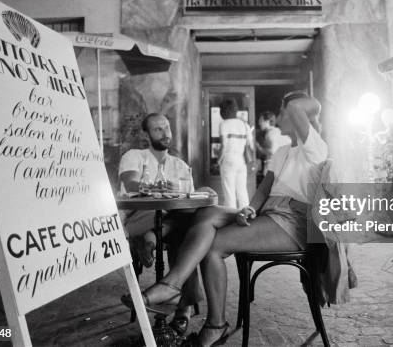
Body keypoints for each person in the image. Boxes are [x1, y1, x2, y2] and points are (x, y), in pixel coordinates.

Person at [125, 91, 329, 346]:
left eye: (283, 112)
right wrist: (250, 209)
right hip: (269, 214)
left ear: (301, 116)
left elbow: (302, 106)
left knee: (213, 245)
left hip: (294, 223)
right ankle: (177, 288)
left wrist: (293, 101)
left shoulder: (315, 146)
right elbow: (264, 190)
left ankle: (211, 321)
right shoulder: (283, 151)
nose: (278, 117)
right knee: (207, 213)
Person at [118, 113, 202, 334]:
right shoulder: (134, 156)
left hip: (171, 222)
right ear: (146, 134)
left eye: (167, 127)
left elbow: (188, 201)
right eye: (158, 129)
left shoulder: (180, 165)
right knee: (182, 225)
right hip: (137, 218)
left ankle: (150, 240)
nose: (165, 134)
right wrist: (163, 189)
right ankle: (184, 307)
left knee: (185, 231)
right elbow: (132, 184)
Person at [218, 98, 253, 209]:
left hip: (228, 159)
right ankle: (247, 216)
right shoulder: (244, 124)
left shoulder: (224, 124)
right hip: (241, 161)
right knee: (242, 192)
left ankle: (230, 219)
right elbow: (250, 145)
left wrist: (219, 161)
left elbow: (223, 146)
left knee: (229, 194)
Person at [255, 111, 291, 175]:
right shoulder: (279, 132)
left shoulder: (270, 134)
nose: (259, 123)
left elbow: (273, 151)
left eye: (261, 121)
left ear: (267, 121)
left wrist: (259, 148)